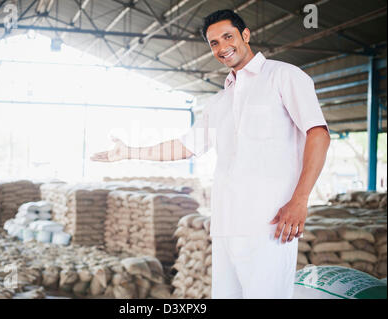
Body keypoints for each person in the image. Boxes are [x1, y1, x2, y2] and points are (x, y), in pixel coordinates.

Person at [91, 9, 330, 299]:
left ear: (245, 35)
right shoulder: (219, 102)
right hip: (226, 225)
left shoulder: (284, 76)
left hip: (269, 224)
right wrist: (129, 152)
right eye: (213, 43)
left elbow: (318, 134)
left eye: (227, 37)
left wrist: (300, 200)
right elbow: (185, 147)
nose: (221, 47)